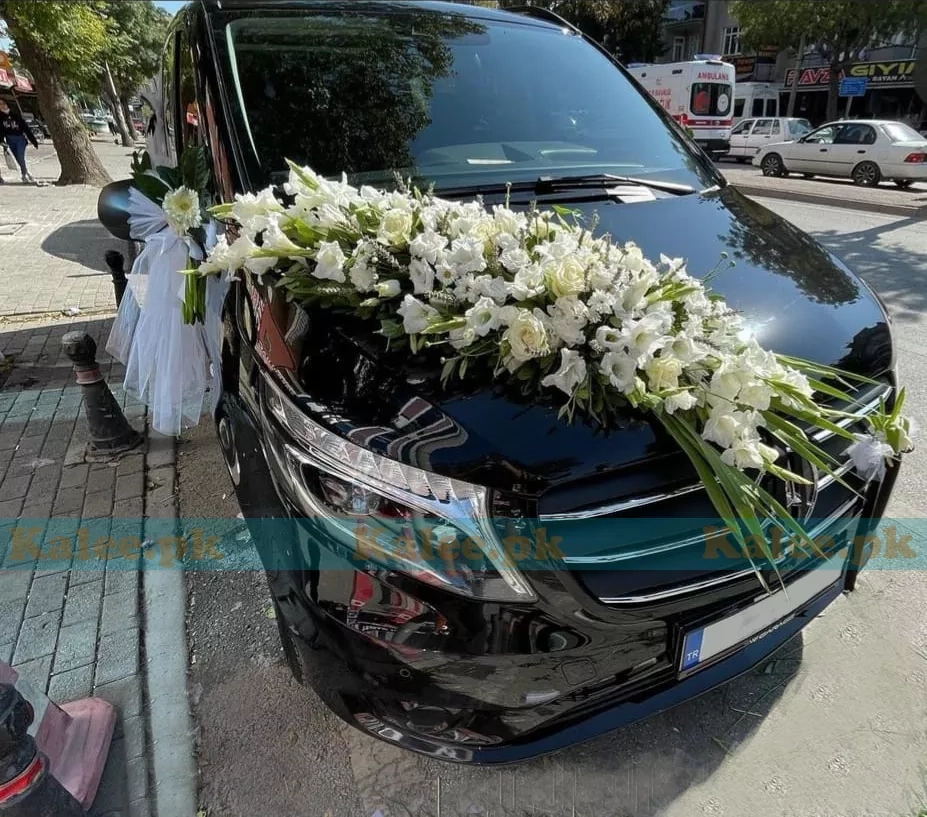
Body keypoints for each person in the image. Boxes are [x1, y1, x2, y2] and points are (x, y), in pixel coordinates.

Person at [0, 98, 39, 184]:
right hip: (10, 140)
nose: (2, 106)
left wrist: (33, 140)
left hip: (20, 139)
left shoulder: (15, 114)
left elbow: (25, 127)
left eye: (3, 103)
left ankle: (24, 175)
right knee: (18, 159)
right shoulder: (1, 117)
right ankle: (27, 172)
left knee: (21, 156)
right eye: (0, 104)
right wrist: (2, 140)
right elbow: (1, 130)